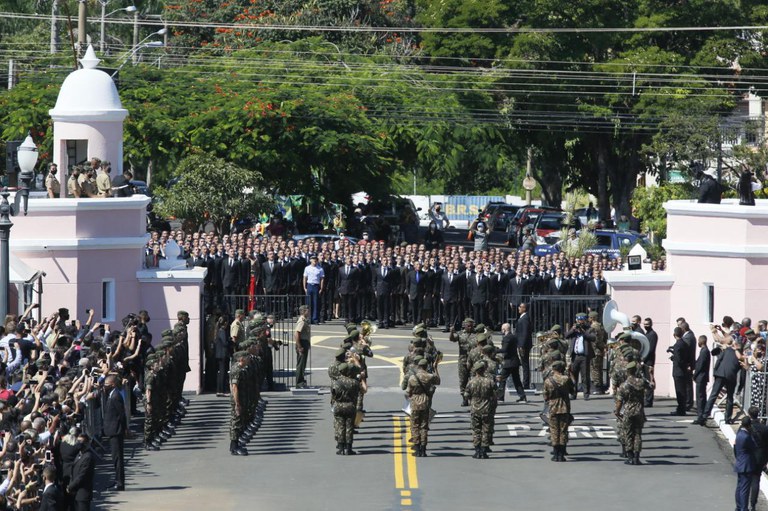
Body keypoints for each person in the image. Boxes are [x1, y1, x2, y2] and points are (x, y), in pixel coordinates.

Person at [614, 361, 652, 465]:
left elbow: (619, 401)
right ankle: (636, 457)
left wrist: (617, 412)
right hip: (639, 410)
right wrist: (651, 374)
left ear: (628, 371)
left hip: (628, 411)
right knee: (638, 434)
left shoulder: (624, 385)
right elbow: (652, 386)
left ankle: (630, 456)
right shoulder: (641, 382)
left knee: (628, 433)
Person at [704, 333, 742, 424]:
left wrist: (715, 373)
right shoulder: (740, 355)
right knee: (729, 398)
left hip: (720, 374)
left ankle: (704, 415)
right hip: (731, 376)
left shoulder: (726, 350)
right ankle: (727, 419)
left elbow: (719, 361)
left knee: (713, 395)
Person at [407, 357, 441, 457]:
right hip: (426, 402)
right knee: (424, 426)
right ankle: (423, 449)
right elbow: (438, 381)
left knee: (415, 425)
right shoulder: (430, 377)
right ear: (426, 366)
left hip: (415, 403)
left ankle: (417, 447)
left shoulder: (413, 378)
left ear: (419, 366)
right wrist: (435, 368)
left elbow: (408, 392)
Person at [543, 360, 573, 462]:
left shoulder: (548, 381)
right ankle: (562, 454)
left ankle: (555, 453)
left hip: (553, 407)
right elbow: (573, 391)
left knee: (554, 430)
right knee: (563, 430)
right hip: (565, 407)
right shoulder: (566, 379)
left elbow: (545, 396)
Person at [465, 360, 495, 459]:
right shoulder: (489, 381)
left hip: (475, 408)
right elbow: (496, 394)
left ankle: (477, 450)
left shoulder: (471, 382)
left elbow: (466, 395)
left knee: (476, 430)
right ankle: (484, 450)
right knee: (485, 430)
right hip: (486, 408)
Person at [103, 374, 127, 491]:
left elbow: (121, 414)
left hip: (116, 431)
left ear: (112, 385)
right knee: (115, 458)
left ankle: (120, 483)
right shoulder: (111, 394)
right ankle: (117, 480)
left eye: (106, 384)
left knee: (117, 458)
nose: (104, 386)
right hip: (112, 430)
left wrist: (125, 429)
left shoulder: (116, 396)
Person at [332, 362, 360, 455]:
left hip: (339, 406)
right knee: (349, 427)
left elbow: (333, 395)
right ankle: (349, 448)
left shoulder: (336, 382)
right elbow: (357, 394)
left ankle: (340, 448)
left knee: (340, 426)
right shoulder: (354, 382)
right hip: (350, 406)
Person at [565, 312, 595, 400]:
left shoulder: (589, 329)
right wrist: (572, 330)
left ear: (585, 320)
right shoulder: (574, 329)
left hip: (584, 356)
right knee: (574, 375)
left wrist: (583, 332)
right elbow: (566, 336)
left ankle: (586, 394)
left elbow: (593, 338)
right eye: (578, 320)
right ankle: (573, 393)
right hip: (575, 355)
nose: (579, 322)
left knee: (585, 375)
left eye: (581, 320)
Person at [497, 322, 526, 402]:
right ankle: (522, 396)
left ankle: (500, 397)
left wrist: (495, 350)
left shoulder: (507, 338)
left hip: (508, 362)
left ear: (504, 329)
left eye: (502, 329)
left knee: (502, 379)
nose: (501, 331)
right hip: (515, 361)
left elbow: (504, 349)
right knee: (516, 380)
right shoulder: (513, 337)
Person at [734, 416, 757, 511]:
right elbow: (754, 446)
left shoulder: (739, 434)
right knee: (745, 489)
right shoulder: (746, 436)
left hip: (740, 463)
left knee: (739, 487)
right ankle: (743, 508)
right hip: (746, 465)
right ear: (749, 425)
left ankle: (739, 506)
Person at [68, 432, 95, 511]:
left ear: (86, 443)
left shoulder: (88, 457)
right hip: (76, 492)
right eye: (78, 441)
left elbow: (82, 475)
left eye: (81, 442)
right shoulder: (79, 454)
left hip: (83, 493)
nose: (79, 444)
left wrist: (71, 486)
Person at [747, 406, 768, 511]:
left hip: (749, 457)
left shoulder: (747, 427)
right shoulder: (765, 428)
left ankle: (744, 502)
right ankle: (753, 504)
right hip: (760, 458)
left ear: (749, 414)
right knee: (756, 480)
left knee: (746, 481)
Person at [669, 327, 689, 416]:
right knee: (682, 391)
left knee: (679, 391)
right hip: (683, 371)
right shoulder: (684, 343)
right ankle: (681, 408)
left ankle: (681, 410)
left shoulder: (678, 345)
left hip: (678, 371)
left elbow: (679, 359)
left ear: (674, 335)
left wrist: (673, 357)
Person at [692, 335, 711, 425]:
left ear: (702, 341)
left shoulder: (704, 351)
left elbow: (700, 365)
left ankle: (701, 416)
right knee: (701, 396)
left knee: (700, 397)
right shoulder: (704, 351)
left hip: (701, 377)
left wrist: (694, 375)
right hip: (701, 377)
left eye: (699, 341)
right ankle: (701, 415)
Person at [303, 255, 325, 324]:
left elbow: (322, 279)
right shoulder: (307, 268)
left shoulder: (320, 269)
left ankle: (315, 319)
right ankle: (308, 318)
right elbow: (305, 278)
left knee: (315, 303)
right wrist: (304, 287)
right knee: (308, 303)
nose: (314, 261)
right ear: (310, 260)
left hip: (316, 286)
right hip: (309, 285)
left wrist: (321, 288)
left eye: (315, 259)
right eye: (313, 259)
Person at [515, 303, 532, 389]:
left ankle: (526, 384)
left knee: (525, 365)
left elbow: (525, 333)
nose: (518, 308)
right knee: (524, 364)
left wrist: (522, 345)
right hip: (522, 344)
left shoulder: (525, 319)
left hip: (524, 345)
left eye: (520, 307)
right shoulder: (522, 317)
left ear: (524, 308)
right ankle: (525, 382)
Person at [214, 316, 232, 396]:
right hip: (222, 354)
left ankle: (221, 390)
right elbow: (225, 343)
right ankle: (221, 390)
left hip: (220, 354)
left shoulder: (219, 330)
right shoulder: (222, 331)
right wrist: (229, 341)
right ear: (225, 323)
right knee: (222, 372)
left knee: (222, 372)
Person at [643, 317, 659, 407]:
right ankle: (647, 399)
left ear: (651, 324)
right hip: (646, 360)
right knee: (647, 379)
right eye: (645, 324)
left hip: (649, 361)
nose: (646, 326)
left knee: (650, 379)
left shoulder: (652, 335)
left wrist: (644, 358)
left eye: (647, 324)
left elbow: (650, 349)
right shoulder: (647, 334)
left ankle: (649, 400)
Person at [294, 305, 311, 388]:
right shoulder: (302, 321)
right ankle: (299, 382)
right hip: (302, 343)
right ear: (303, 311)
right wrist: (299, 346)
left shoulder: (305, 320)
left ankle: (301, 380)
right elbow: (297, 334)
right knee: (300, 364)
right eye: (307, 310)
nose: (309, 311)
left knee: (303, 364)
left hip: (304, 342)